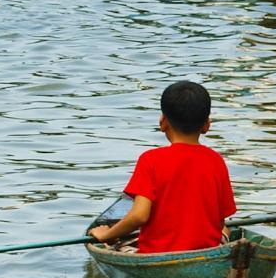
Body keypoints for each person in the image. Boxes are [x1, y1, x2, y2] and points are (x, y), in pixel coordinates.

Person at [86, 80, 237, 253]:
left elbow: (139, 216)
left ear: (163, 121)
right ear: (206, 125)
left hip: (157, 253)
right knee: (225, 231)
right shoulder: (216, 160)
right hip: (206, 251)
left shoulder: (150, 160)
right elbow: (219, 222)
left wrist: (107, 235)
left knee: (112, 245)